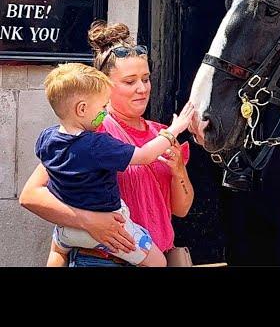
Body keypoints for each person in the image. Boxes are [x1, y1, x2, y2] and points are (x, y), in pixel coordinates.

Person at [20, 21, 196, 267]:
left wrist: (178, 169)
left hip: (155, 255)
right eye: (129, 81)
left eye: (145, 79)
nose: (142, 88)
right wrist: (89, 221)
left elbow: (181, 209)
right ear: (104, 85)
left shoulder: (161, 134)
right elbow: (31, 195)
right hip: (101, 259)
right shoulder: (90, 134)